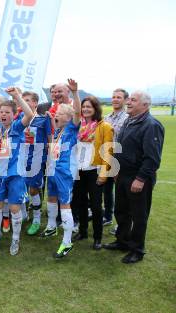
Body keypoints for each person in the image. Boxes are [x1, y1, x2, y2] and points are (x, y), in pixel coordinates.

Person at [103, 91, 164, 264]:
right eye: (129, 99)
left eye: (133, 100)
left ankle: (137, 249)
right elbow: (120, 148)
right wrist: (116, 170)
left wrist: (141, 179)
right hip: (122, 175)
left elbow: (152, 158)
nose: (128, 102)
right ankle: (122, 241)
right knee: (121, 211)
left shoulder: (151, 125)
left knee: (139, 215)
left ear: (145, 105)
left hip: (137, 178)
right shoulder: (129, 121)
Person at [0, 86, 36, 256]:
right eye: (1, 112)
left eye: (7, 112)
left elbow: (30, 114)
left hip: (15, 174)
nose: (3, 115)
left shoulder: (16, 127)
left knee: (15, 208)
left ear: (14, 114)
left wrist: (16, 95)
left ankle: (15, 239)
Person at [42, 79, 81, 258]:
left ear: (68, 117)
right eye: (56, 113)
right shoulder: (58, 131)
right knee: (51, 198)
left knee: (65, 204)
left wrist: (75, 93)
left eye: (59, 114)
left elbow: (78, 113)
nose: (56, 115)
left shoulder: (72, 128)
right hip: (53, 169)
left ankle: (67, 242)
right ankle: (51, 227)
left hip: (64, 172)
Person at [71, 96, 113, 250]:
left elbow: (108, 151)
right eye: (84, 107)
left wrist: (103, 174)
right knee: (80, 203)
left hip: (94, 171)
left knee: (95, 206)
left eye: (89, 107)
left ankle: (97, 237)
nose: (86, 109)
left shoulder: (104, 127)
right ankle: (82, 232)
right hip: (79, 170)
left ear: (96, 109)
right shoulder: (79, 125)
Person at [19, 91, 52, 236]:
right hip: (21, 159)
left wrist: (50, 158)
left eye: (27, 100)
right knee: (21, 188)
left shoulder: (44, 119)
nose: (24, 102)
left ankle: (37, 220)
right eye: (23, 100)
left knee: (33, 190)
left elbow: (50, 140)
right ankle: (24, 214)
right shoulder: (20, 118)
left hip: (37, 160)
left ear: (35, 103)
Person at [103, 89, 129, 227]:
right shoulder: (107, 117)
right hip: (107, 159)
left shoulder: (128, 118)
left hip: (121, 160)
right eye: (113, 97)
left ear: (125, 100)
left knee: (121, 193)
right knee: (106, 191)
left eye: (119, 97)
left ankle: (122, 223)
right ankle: (107, 216)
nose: (115, 99)